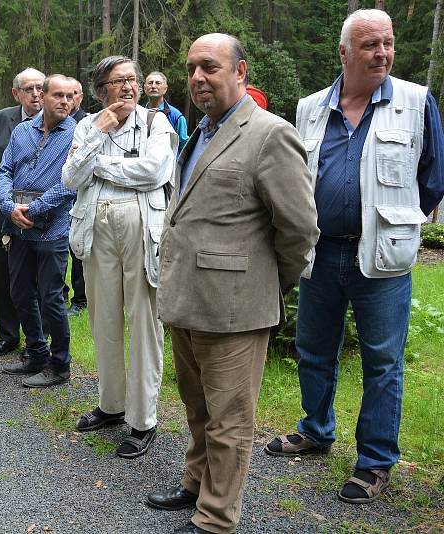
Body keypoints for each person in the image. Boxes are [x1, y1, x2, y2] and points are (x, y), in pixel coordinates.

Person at [265, 9, 444, 505]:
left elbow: (432, 176)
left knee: (383, 362)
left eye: (387, 43)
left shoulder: (414, 101)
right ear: (344, 53)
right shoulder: (310, 107)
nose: (383, 53)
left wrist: (398, 221)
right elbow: (299, 174)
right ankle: (316, 431)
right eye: (370, 45)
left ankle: (374, 461)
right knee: (314, 350)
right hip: (320, 254)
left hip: (383, 259)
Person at [145, 34, 318, 534]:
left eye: (211, 67)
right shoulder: (201, 131)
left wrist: (268, 283)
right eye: (192, 67)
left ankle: (217, 519)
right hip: (187, 298)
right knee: (197, 407)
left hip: (235, 307)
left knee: (230, 419)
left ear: (240, 72)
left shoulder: (269, 133)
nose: (198, 77)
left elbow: (300, 227)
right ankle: (195, 484)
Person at [63, 56, 177, 458]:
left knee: (144, 320)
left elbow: (154, 172)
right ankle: (112, 405)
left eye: (133, 80)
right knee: (103, 316)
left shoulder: (155, 123)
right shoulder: (86, 125)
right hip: (97, 226)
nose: (129, 87)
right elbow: (70, 177)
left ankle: (143, 420)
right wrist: (97, 137)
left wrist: (102, 166)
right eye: (118, 81)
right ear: (100, 90)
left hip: (143, 227)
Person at [0, 74, 76, 388]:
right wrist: (7, 206)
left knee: (52, 298)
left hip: (52, 229)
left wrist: (34, 209)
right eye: (58, 95)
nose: (65, 102)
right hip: (17, 226)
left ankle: (60, 365)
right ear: (42, 96)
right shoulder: (20, 131)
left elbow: (70, 183)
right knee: (20, 292)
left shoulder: (77, 135)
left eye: (70, 96)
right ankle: (36, 352)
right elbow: (5, 171)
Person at [0, 67, 46, 358]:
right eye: (29, 89)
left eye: (40, 87)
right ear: (16, 93)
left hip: (43, 213)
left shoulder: (59, 120)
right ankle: (7, 335)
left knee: (38, 280)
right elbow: (3, 165)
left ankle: (37, 340)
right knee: (5, 276)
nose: (36, 94)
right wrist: (7, 204)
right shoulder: (1, 118)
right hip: (6, 211)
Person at [63, 76, 88, 316]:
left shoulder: (89, 123)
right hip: (58, 196)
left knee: (78, 250)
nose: (68, 100)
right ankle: (60, 294)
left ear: (80, 97)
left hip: (80, 196)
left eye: (73, 95)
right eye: (64, 95)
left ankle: (81, 300)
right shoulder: (53, 121)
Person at [144, 71, 189, 153]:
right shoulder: (139, 114)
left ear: (165, 89)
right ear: (145, 88)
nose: (153, 86)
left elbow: (184, 147)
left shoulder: (176, 116)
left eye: (158, 83)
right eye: (150, 83)